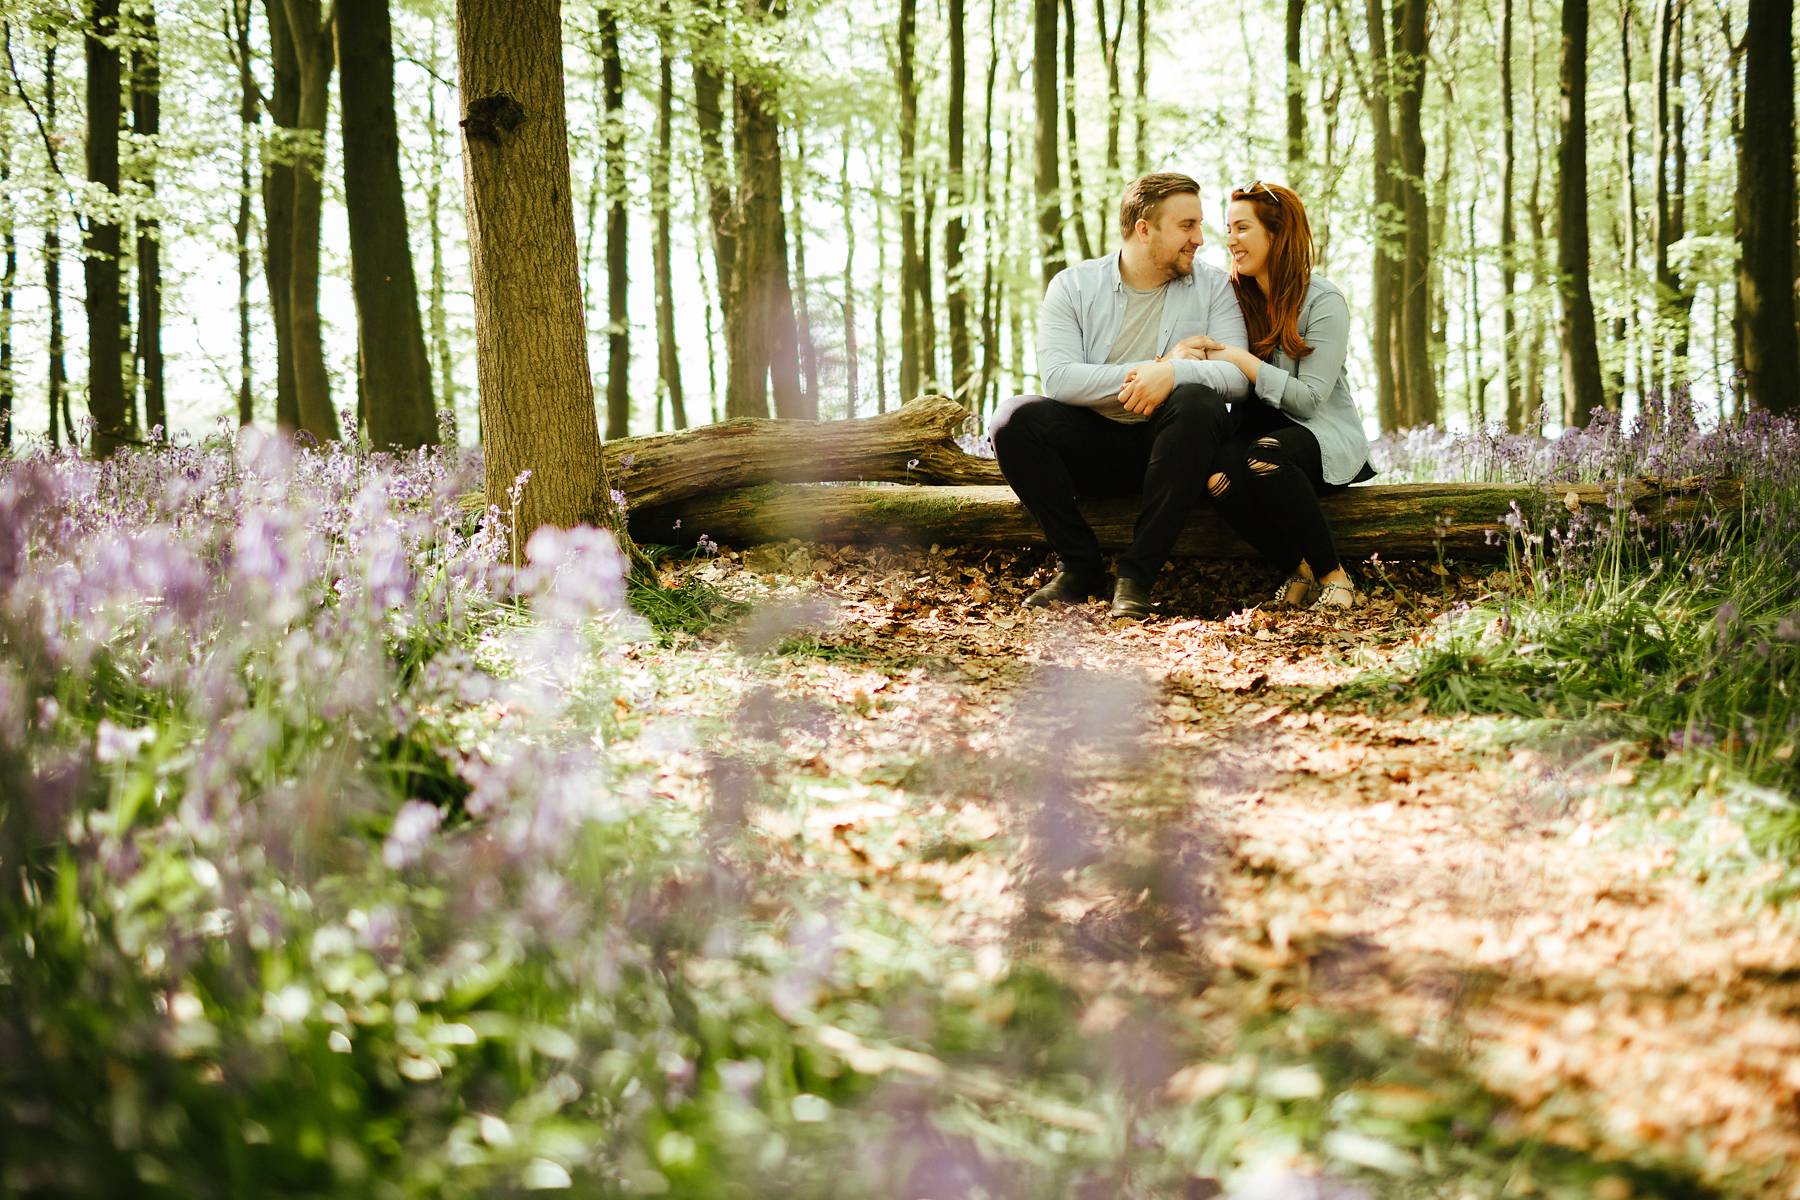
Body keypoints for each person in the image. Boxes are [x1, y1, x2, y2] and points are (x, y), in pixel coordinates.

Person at [990, 172, 1251, 619]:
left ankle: (1136, 576)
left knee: (1198, 401)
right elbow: (1059, 378)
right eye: (1187, 226)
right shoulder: (1072, 287)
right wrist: (1144, 374)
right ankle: (1080, 567)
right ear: (1144, 228)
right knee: (1012, 419)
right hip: (1091, 446)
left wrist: (1170, 374)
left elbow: (1237, 376)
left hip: (1174, 451)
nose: (1200, 238)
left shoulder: (1214, 287)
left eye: (1200, 225)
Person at [1172, 181, 1373, 611]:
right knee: (1214, 476)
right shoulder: (1233, 296)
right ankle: (1297, 569)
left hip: (1316, 434)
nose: (1230, 241)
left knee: (1266, 455)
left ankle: (1333, 576)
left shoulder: (1323, 300)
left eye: (1242, 228)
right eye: (1228, 228)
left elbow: (1308, 400)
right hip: (1254, 430)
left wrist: (1238, 357)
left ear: (1276, 235)